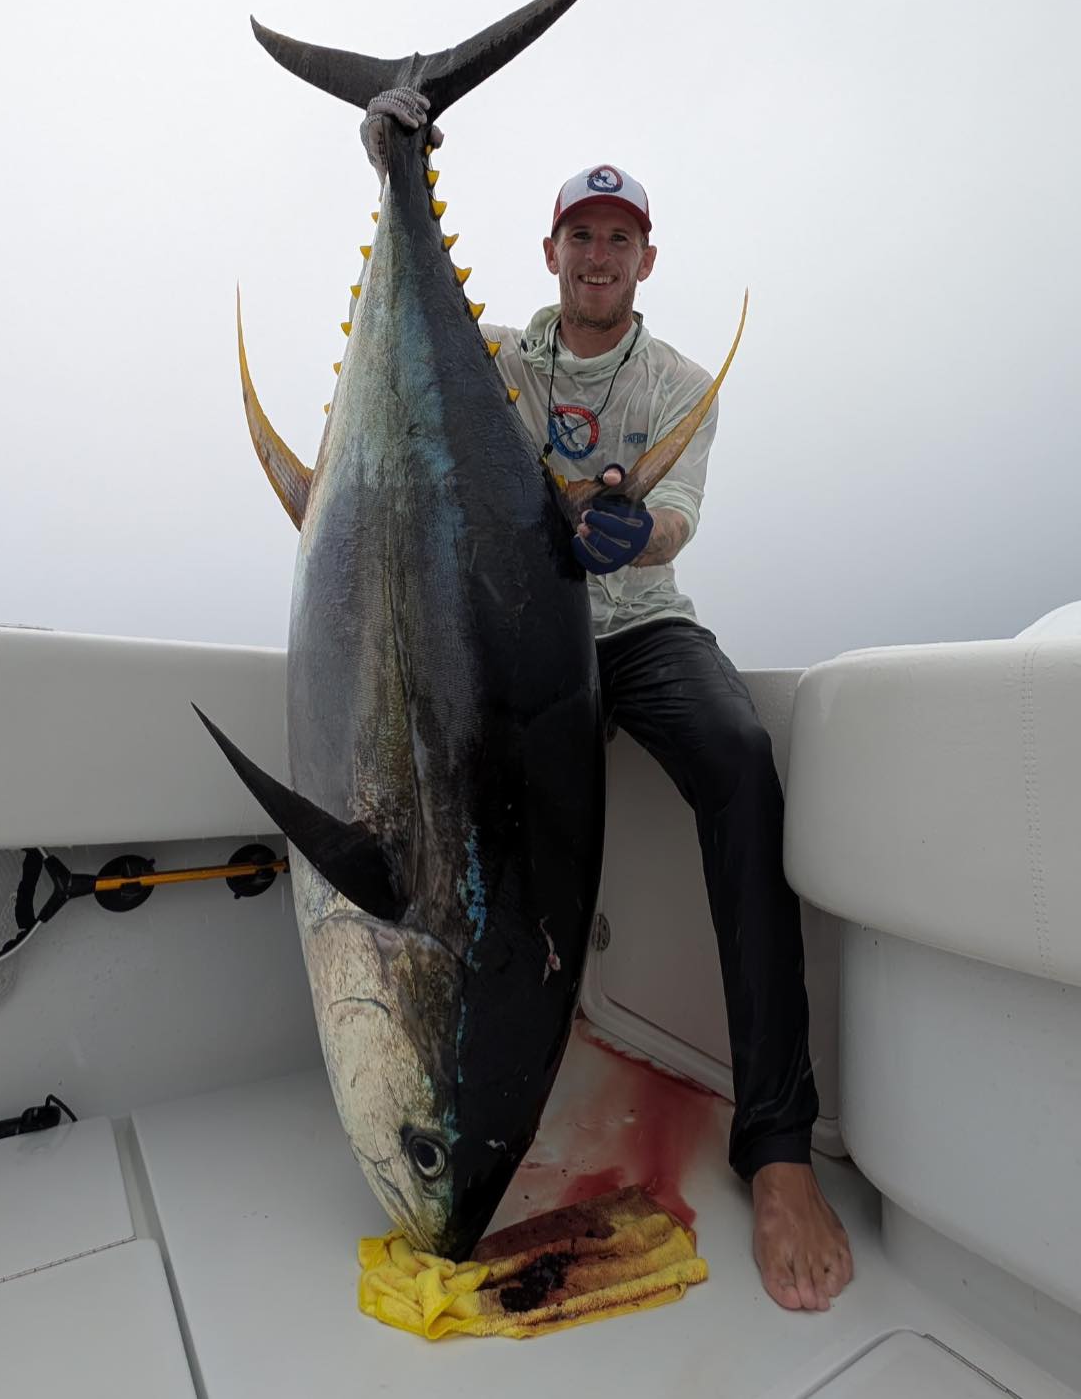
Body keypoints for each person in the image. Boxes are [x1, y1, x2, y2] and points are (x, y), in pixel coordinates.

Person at [361, 92, 853, 1313]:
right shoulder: (502, 366)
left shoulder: (682, 380)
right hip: (527, 653)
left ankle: (779, 1145)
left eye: (618, 237)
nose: (597, 255)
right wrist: (394, 160)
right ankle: (485, 1088)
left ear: (645, 256)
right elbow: (414, 394)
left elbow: (678, 515)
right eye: (579, 236)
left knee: (740, 758)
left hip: (640, 632)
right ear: (550, 253)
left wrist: (636, 534)